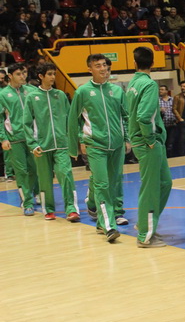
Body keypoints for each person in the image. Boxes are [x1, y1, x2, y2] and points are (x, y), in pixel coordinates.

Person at [68, 55, 130, 242]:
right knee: (103, 185)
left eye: (104, 65)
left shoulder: (117, 91)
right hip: (95, 145)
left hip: (117, 145)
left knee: (114, 181)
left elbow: (126, 116)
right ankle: (109, 226)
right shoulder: (83, 92)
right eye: (98, 66)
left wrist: (127, 139)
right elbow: (73, 120)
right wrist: (78, 142)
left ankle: (100, 218)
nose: (103, 69)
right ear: (90, 69)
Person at [126, 47, 173, 247]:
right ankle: (144, 235)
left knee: (165, 183)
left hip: (145, 141)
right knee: (151, 187)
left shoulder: (132, 83)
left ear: (134, 63)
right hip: (147, 143)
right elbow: (144, 116)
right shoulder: (149, 84)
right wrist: (150, 139)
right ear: (153, 64)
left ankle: (144, 221)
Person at [23, 63, 80, 222]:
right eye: (49, 74)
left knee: (66, 174)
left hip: (62, 145)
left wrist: (73, 143)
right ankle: (48, 209)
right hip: (42, 147)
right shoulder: (32, 97)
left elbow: (70, 120)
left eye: (54, 74)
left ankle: (71, 209)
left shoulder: (60, 95)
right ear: (41, 76)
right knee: (45, 180)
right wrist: (33, 144)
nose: (53, 77)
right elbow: (26, 123)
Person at [0, 63, 37, 215]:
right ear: (10, 76)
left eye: (24, 73)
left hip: (32, 138)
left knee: (34, 169)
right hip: (14, 138)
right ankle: (27, 202)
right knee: (21, 172)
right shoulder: (3, 95)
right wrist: (3, 138)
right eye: (18, 74)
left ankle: (33, 193)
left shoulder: (31, 91)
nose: (22, 77)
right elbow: (0, 119)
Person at [158, 84, 178, 157]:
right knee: (163, 142)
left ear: (166, 91)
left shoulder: (173, 100)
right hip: (162, 125)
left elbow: (177, 109)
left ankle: (171, 157)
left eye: (162, 89)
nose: (160, 91)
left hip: (172, 124)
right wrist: (160, 110)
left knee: (171, 143)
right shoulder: (157, 101)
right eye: (160, 89)